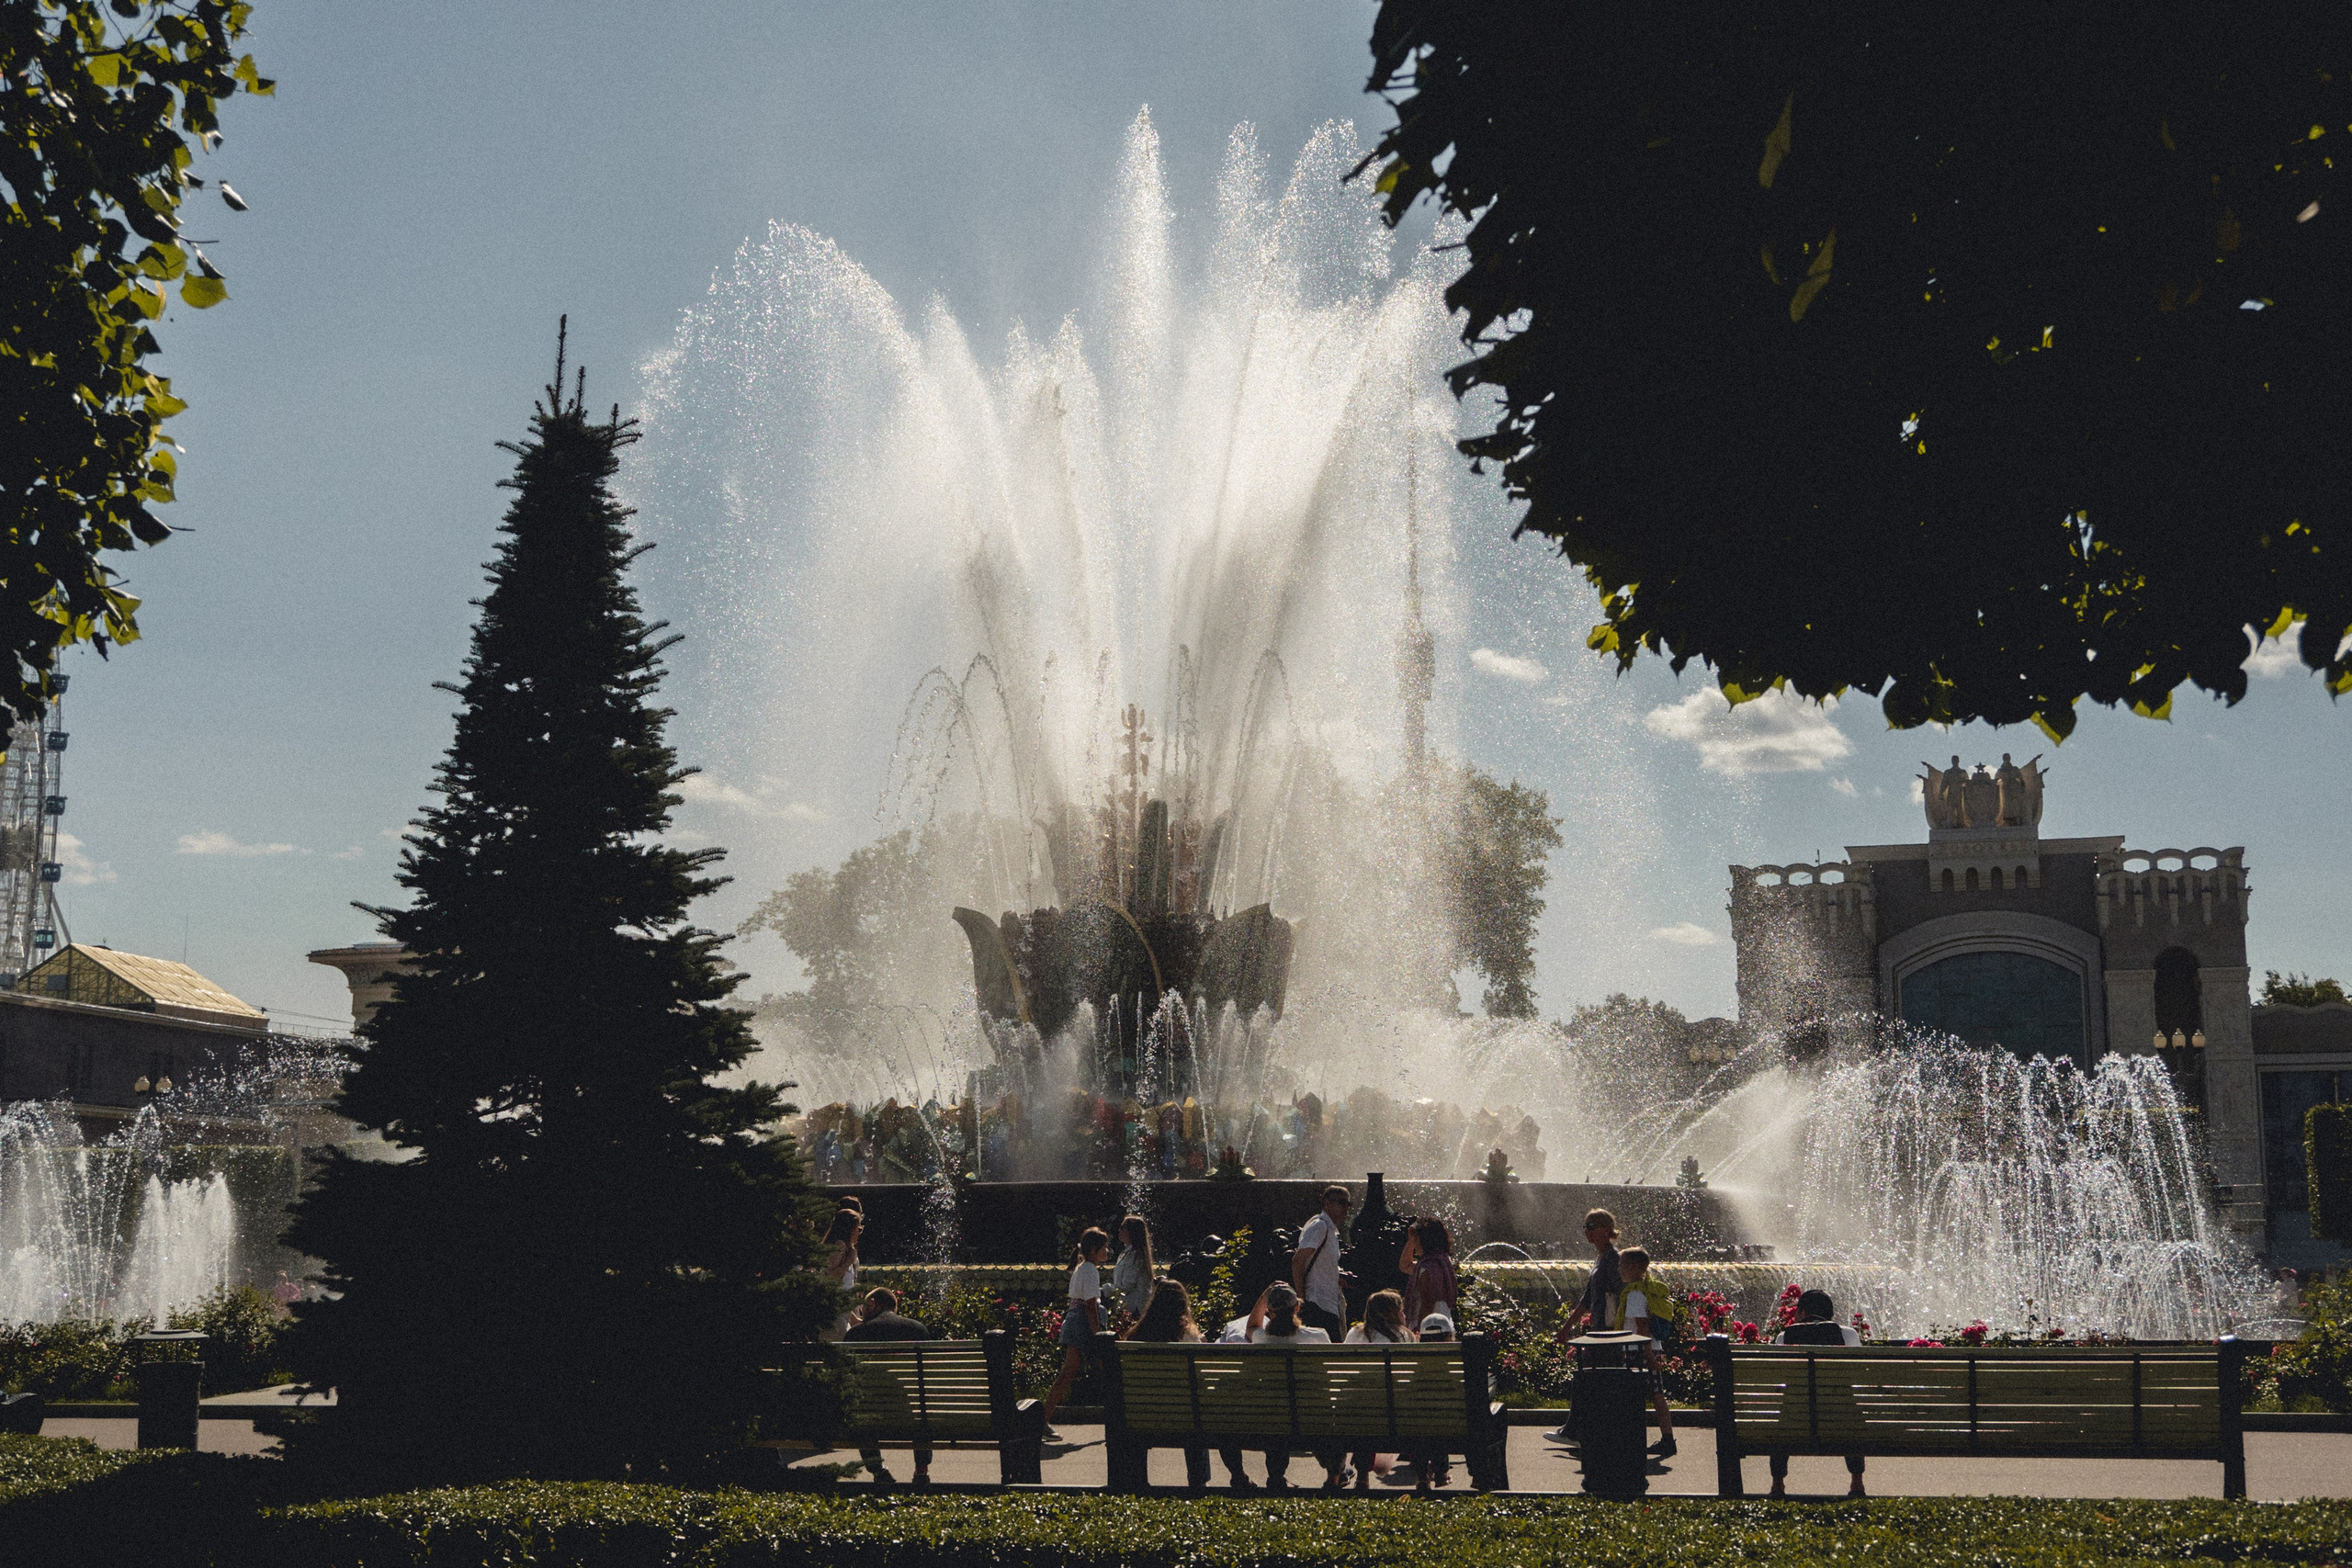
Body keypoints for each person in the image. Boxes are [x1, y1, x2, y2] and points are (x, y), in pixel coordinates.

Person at [1124, 1278, 1229, 1492]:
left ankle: (1138, 1480)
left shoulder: (1136, 1337)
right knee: (1194, 1415)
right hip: (1184, 1416)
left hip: (1143, 1415)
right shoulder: (1188, 1336)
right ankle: (1198, 1480)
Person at [1768, 1288, 1865, 1498]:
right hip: (1839, 1417)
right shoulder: (1848, 1335)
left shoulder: (1784, 1337)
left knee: (1782, 1421)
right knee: (1851, 1416)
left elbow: (1780, 1383)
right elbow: (1855, 1376)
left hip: (1796, 1418)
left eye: (1796, 1312)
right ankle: (1857, 1482)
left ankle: (1777, 1483)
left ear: (1802, 1313)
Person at [1251, 1282, 1348, 1490]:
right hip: (1314, 1414)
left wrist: (1264, 1295)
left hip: (1275, 1417)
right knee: (1324, 1414)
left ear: (1270, 1311)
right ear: (1297, 1307)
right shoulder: (1318, 1336)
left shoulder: (1260, 1338)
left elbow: (1252, 1326)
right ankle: (1334, 1476)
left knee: (1279, 1414)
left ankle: (1276, 1476)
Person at [1544, 1209, 1622, 1445]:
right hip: (1601, 1329)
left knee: (1586, 1379)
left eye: (1591, 1226)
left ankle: (1576, 1432)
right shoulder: (1601, 1258)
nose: (1586, 1231)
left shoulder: (1612, 1259)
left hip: (1609, 1332)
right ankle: (1583, 1431)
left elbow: (1619, 1294)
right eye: (1585, 1227)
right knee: (1589, 1379)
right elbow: (1587, 1300)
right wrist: (1566, 1328)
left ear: (1606, 1229)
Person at [842, 1288, 932, 1488]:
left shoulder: (856, 1335)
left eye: (863, 1308)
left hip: (871, 1415)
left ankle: (877, 1470)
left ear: (873, 1303)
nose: (862, 1313)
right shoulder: (918, 1330)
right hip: (908, 1413)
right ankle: (921, 1470)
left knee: (862, 1407)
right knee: (923, 1411)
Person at [1041, 1227, 1111, 1427]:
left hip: (1074, 1319)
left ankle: (1044, 1419)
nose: (1107, 1251)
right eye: (1104, 1247)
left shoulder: (1083, 1268)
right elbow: (1090, 1305)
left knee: (1071, 1370)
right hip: (1083, 1322)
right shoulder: (1090, 1270)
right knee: (1105, 1369)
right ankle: (1120, 1417)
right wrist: (1098, 1334)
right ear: (1094, 1250)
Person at [1612, 1247, 1678, 1461]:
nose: (1619, 1268)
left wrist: (1649, 1357)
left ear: (1635, 1267)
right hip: (1651, 1349)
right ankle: (1667, 1439)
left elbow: (1642, 1328)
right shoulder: (1647, 1290)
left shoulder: (1635, 1294)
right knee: (1657, 1394)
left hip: (1638, 1352)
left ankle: (1633, 1440)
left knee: (1635, 1397)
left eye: (1622, 1264)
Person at [1343, 1289, 1412, 1490]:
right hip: (1397, 1406)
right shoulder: (1404, 1335)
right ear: (1393, 1312)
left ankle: (1362, 1477)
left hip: (1361, 1405)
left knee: (1366, 1410)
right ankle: (1424, 1478)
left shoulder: (1356, 1333)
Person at [1292, 1184, 1351, 1337]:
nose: (1346, 1208)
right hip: (1317, 1304)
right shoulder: (1320, 1226)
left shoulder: (1330, 1230)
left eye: (1348, 1204)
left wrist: (1338, 1275)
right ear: (1327, 1204)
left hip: (1329, 1304)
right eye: (1341, 1203)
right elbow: (1298, 1261)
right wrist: (1301, 1298)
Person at [1410, 1312, 1457, 1491]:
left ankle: (1422, 1477)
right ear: (1449, 1337)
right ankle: (1441, 1473)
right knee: (1440, 1419)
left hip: (1415, 1423)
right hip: (1448, 1423)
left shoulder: (1416, 1366)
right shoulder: (1452, 1365)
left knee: (1423, 1422)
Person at [1397, 1216, 1458, 1328]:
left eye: (1415, 1239)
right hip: (1441, 1324)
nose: (1415, 1244)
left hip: (1430, 1328)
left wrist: (1419, 1332)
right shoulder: (1440, 1261)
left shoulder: (1428, 1268)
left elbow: (1427, 1304)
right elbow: (1405, 1266)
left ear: (1423, 1239)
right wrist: (1411, 1240)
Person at [819, 1206, 864, 1339]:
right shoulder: (840, 1246)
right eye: (858, 1229)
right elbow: (831, 1278)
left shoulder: (845, 1247)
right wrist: (849, 1261)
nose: (858, 1233)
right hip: (833, 1314)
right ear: (849, 1229)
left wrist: (854, 1319)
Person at [1112, 1213, 1157, 1326]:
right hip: (1127, 1308)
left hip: (1135, 1310)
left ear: (1132, 1231)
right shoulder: (1127, 1253)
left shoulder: (1136, 1255)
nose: (1119, 1230)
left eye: (1122, 1228)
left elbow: (1127, 1285)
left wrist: (1107, 1290)